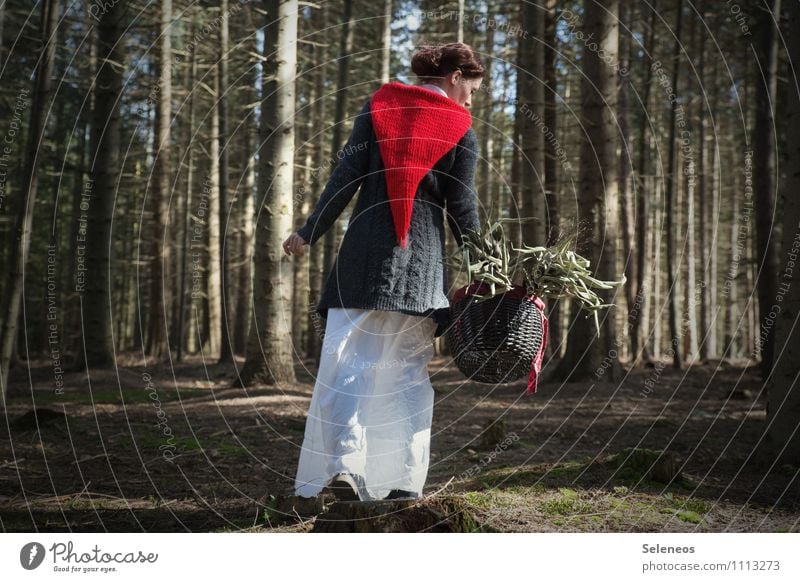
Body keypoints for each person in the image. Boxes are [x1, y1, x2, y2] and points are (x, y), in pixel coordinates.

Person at [284, 42, 485, 502]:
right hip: (421, 271)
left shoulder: (376, 107)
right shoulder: (461, 128)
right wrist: (484, 265)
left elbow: (345, 176)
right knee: (408, 374)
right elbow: (462, 209)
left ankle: (344, 470)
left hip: (362, 262)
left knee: (347, 365)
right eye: (471, 88)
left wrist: (310, 230)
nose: (471, 100)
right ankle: (400, 482)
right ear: (455, 76)